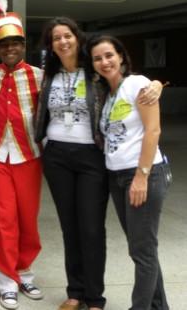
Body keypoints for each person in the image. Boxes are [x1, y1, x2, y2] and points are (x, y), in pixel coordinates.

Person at [34, 18, 163, 310]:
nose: (63, 42)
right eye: (56, 38)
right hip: (56, 156)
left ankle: (94, 298)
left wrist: (157, 84)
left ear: (77, 39)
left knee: (91, 228)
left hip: (92, 156)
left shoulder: (95, 72)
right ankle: (75, 291)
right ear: (50, 46)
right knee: (70, 227)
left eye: (67, 36)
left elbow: (128, 82)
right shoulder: (47, 75)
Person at [89, 35, 171, 310]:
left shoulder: (137, 84)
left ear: (121, 56)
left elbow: (153, 130)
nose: (104, 62)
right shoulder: (108, 93)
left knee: (142, 251)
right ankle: (159, 307)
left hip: (142, 175)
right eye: (98, 58)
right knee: (142, 250)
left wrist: (141, 176)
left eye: (109, 55)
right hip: (117, 177)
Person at [0, 1, 43, 310]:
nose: (10, 49)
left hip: (29, 156)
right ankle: (7, 280)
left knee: (27, 220)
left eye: (15, 43)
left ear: (23, 45)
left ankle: (25, 272)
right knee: (4, 220)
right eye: (3, 44)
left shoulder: (39, 76)